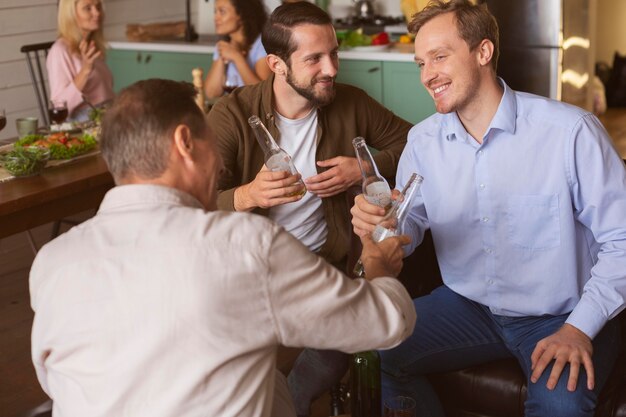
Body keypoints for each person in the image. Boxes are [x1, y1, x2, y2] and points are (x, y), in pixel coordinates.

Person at [29, 78, 417, 417]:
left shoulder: (51, 261)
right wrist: (377, 265)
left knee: (274, 386)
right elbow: (386, 323)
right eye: (210, 142)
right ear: (185, 142)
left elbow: (56, 380)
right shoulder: (246, 245)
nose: (217, 161)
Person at [351, 1, 626, 416]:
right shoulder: (423, 142)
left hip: (560, 312)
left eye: (440, 57)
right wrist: (379, 230)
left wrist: (578, 328)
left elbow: (622, 240)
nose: (428, 75)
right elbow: (406, 231)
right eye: (421, 63)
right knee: (372, 345)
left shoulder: (569, 132)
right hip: (469, 306)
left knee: (560, 406)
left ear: (483, 52)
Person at [207, 3, 411, 414]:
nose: (332, 68)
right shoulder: (232, 114)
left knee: (342, 341)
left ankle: (288, 403)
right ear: (277, 64)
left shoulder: (349, 102)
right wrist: (248, 195)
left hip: (323, 266)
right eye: (314, 58)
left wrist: (363, 166)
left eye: (333, 53)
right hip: (249, 268)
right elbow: (193, 205)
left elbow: (413, 141)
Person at [47, 0, 114, 122]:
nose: (97, 13)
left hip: (108, 112)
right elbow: (59, 106)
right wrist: (85, 70)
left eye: (98, 6)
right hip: (84, 121)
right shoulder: (59, 51)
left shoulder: (91, 45)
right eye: (88, 8)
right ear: (71, 14)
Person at [204, 0, 272, 99]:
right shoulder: (223, 46)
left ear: (241, 14)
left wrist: (237, 57)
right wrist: (222, 57)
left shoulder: (263, 44)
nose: (215, 18)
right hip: (232, 109)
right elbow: (212, 93)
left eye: (222, 12)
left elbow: (262, 94)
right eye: (215, 12)